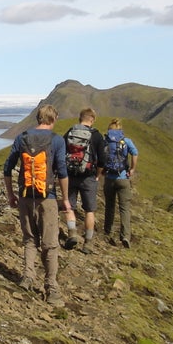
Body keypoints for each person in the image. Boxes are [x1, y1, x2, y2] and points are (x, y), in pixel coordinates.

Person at [3, 104, 72, 307]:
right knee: (50, 244)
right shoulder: (57, 140)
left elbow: (7, 168)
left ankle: (27, 277)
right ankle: (51, 288)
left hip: (25, 196)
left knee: (29, 240)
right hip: (47, 198)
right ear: (53, 119)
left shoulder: (22, 138)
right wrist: (65, 198)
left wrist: (10, 195)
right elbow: (62, 172)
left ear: (38, 118)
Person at [63, 107, 106, 254]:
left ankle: (72, 233)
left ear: (80, 118)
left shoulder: (70, 132)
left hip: (70, 175)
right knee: (89, 211)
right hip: (88, 176)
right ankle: (87, 243)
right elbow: (102, 159)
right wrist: (98, 175)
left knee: (69, 206)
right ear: (92, 119)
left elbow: (62, 153)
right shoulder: (97, 136)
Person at [102, 118, 139, 248]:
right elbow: (135, 153)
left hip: (109, 178)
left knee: (109, 206)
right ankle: (125, 236)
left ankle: (108, 232)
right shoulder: (126, 141)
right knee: (124, 209)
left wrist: (101, 171)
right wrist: (132, 169)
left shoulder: (106, 141)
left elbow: (100, 156)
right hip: (123, 178)